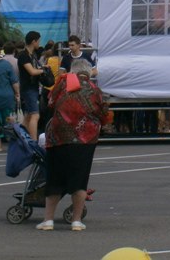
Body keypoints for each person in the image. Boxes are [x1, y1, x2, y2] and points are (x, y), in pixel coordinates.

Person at [35, 59, 110, 231]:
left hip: (58, 138)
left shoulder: (62, 85)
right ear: (88, 72)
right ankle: (76, 221)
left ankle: (48, 220)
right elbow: (104, 113)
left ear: (72, 71)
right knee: (79, 179)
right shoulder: (95, 90)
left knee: (54, 179)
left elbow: (50, 104)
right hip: (84, 140)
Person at [17, 30, 45, 139]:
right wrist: (43, 71)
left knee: (28, 116)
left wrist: (41, 68)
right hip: (28, 88)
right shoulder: (23, 55)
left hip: (32, 87)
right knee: (35, 115)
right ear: (34, 41)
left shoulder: (31, 55)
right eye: (38, 41)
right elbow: (32, 71)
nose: (39, 43)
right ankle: (34, 141)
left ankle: (20, 136)